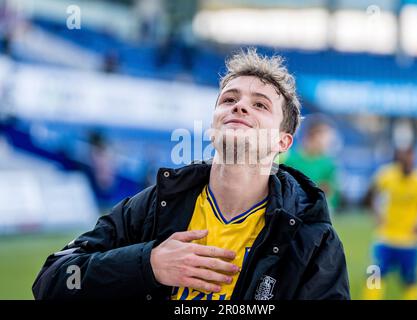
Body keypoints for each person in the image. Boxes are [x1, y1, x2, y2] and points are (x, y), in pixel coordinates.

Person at [32, 48, 350, 300]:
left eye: (260, 105)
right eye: (229, 99)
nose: (239, 107)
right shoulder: (153, 206)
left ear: (283, 142)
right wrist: (149, 264)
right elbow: (53, 280)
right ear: (213, 126)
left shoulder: (313, 239)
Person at [363, 145, 417, 300]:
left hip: (410, 242)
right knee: (373, 276)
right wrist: (376, 215)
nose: (408, 163)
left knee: (411, 282)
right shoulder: (387, 175)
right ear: (399, 160)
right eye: (405, 159)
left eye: (411, 159)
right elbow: (369, 194)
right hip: (384, 238)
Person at [282, 119, 339, 211]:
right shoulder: (289, 159)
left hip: (318, 209)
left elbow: (329, 192)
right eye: (324, 137)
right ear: (312, 136)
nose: (328, 141)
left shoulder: (328, 163)